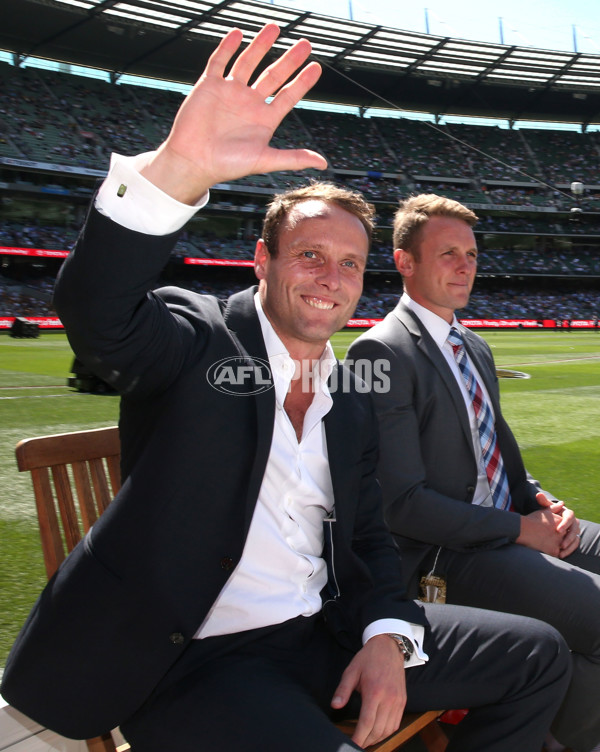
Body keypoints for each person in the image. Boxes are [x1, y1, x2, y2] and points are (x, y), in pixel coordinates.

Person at [1, 30, 570, 752]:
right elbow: (99, 317)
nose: (330, 279)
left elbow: (364, 536)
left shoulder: (351, 389)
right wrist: (176, 172)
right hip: (197, 660)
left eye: (350, 265)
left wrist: (388, 637)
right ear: (262, 261)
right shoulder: (199, 336)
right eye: (310, 256)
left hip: (323, 633)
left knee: (538, 654)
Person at [347, 193, 600, 752]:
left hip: (504, 528)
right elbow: (404, 505)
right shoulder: (379, 352)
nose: (465, 266)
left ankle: (559, 731)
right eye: (448, 254)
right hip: (441, 556)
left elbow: (506, 463)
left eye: (471, 254)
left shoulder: (475, 347)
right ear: (405, 262)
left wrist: (544, 504)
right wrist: (520, 531)